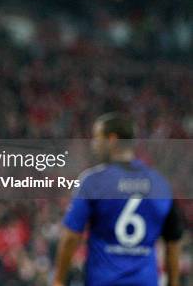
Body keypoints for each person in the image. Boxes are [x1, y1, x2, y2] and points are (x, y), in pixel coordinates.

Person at [53, 113, 183, 286]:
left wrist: (59, 280)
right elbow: (173, 244)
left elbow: (71, 237)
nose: (94, 145)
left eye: (97, 138)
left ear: (112, 139)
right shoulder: (160, 184)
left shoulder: (93, 182)